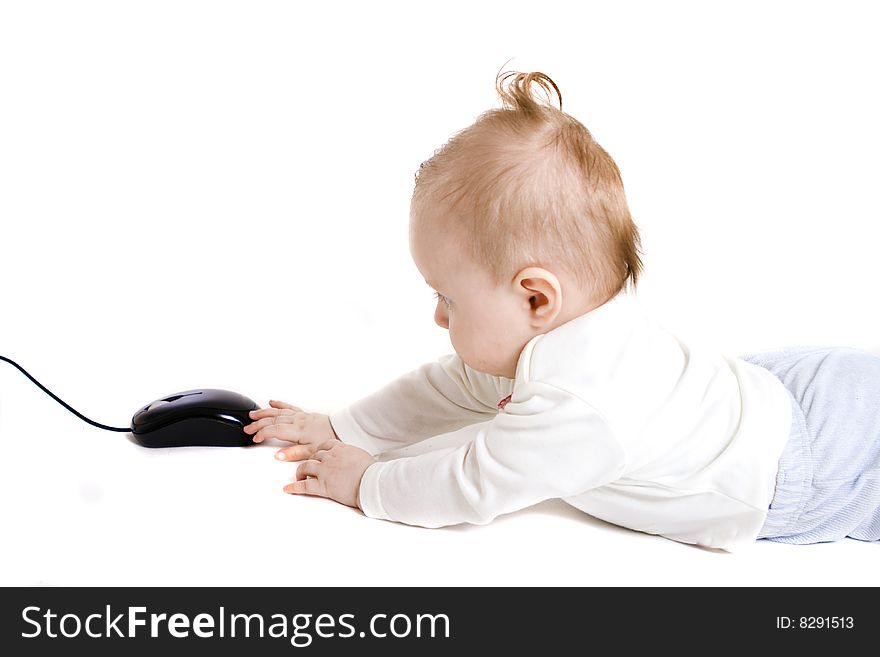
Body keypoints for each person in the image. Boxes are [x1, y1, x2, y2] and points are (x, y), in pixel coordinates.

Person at [243, 71, 880, 551]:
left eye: (448, 298)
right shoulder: (567, 332)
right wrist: (344, 427)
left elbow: (470, 484)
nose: (439, 319)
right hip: (782, 390)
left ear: (536, 298)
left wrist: (365, 484)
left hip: (814, 468)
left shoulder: (579, 404)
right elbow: (451, 386)